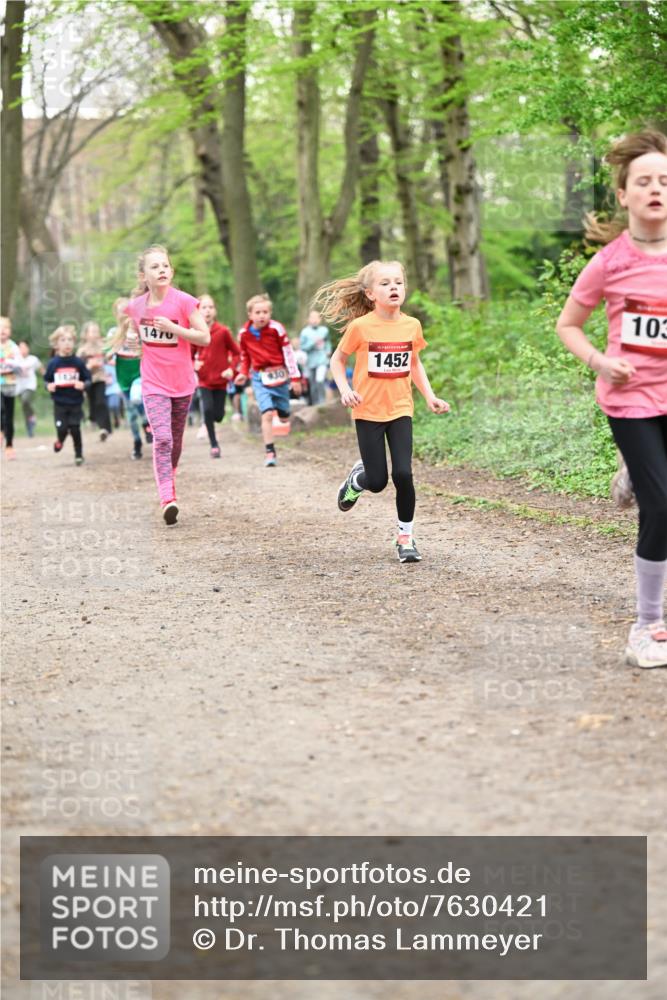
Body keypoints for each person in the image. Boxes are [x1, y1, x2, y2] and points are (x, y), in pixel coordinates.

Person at [556, 129, 667, 669]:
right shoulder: (609, 262)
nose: (656, 189)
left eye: (664, 180)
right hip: (630, 398)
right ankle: (647, 626)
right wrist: (600, 361)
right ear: (623, 195)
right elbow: (569, 324)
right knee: (661, 505)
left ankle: (634, 472)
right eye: (643, 181)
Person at [319, 260, 449, 563]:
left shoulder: (411, 325)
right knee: (377, 482)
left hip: (401, 409)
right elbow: (337, 360)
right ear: (370, 294)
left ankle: (406, 538)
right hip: (367, 411)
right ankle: (357, 480)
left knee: (403, 473)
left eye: (398, 282)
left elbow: (414, 363)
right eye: (385, 283)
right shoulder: (360, 327)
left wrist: (430, 396)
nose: (394, 288)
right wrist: (345, 390)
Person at [124, 244, 209, 524]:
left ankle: (168, 476)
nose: (161, 270)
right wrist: (132, 343)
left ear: (171, 271)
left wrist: (174, 328)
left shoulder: (184, 301)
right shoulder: (136, 307)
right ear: (143, 276)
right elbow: (133, 337)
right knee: (162, 438)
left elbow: (204, 337)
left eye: (165, 265)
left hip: (182, 383)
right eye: (154, 266)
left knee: (176, 440)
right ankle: (167, 497)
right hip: (153, 384)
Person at [234, 294, 302, 467]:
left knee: (284, 416)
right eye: (257, 312)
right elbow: (245, 356)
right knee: (267, 414)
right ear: (250, 314)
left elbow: (288, 353)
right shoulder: (243, 334)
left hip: (280, 375)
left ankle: (283, 411)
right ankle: (270, 452)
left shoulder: (277, 329)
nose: (261, 316)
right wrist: (243, 372)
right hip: (259, 377)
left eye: (265, 312)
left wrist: (295, 378)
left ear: (270, 313)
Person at [194, 294, 240, 458]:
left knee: (218, 416)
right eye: (204, 307)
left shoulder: (223, 331)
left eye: (210, 307)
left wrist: (231, 369)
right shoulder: (195, 333)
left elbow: (237, 353)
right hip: (204, 381)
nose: (207, 311)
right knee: (207, 409)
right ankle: (214, 445)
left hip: (221, 381)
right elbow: (188, 355)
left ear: (215, 311)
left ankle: (209, 423)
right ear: (197, 311)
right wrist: (193, 363)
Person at [106, 298, 152, 460]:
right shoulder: (114, 333)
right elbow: (107, 356)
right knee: (131, 414)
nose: (125, 314)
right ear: (116, 315)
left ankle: (147, 424)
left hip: (140, 375)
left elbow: (150, 351)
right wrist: (114, 349)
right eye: (121, 311)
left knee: (136, 397)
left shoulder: (139, 329)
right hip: (123, 378)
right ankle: (137, 442)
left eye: (128, 310)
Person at [44, 328, 92, 465]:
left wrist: (83, 384)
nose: (67, 343)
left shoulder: (78, 362)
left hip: (76, 402)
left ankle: (79, 455)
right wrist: (48, 386)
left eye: (70, 340)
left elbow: (88, 379)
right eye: (63, 340)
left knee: (75, 428)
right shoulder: (53, 363)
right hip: (60, 403)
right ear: (56, 344)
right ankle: (60, 440)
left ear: (74, 342)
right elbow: (46, 380)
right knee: (62, 429)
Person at [78, 320, 112, 440]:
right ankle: (93, 419)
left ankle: (105, 428)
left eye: (97, 331)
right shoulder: (82, 350)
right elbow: (79, 367)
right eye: (92, 331)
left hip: (100, 378)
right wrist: (89, 366)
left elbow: (108, 359)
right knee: (92, 403)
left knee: (100, 401)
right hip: (88, 380)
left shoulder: (103, 347)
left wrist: (107, 360)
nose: (95, 334)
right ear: (86, 334)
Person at [0, 316, 23, 459]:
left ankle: (9, 445)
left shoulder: (13, 347)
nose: (2, 330)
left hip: (10, 385)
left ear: (10, 331)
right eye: (0, 327)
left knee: (9, 416)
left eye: (6, 328)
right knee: (0, 409)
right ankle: (1, 431)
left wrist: (11, 365)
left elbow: (20, 365)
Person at [299, 309, 331, 406]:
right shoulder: (304, 332)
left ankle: (322, 402)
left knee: (319, 380)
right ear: (308, 319)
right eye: (312, 318)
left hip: (322, 359)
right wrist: (313, 343)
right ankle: (314, 404)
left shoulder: (324, 330)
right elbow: (302, 347)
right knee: (312, 384)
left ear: (320, 319)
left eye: (317, 318)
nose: (315, 320)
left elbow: (327, 342)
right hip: (311, 360)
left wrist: (328, 350)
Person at [16, 340, 44, 437]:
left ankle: (32, 415)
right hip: (19, 387)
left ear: (28, 348)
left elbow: (41, 369)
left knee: (25, 400)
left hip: (30, 386)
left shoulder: (33, 359)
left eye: (25, 347)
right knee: (25, 408)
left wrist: (47, 379)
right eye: (20, 347)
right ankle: (30, 429)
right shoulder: (15, 359)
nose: (23, 349)